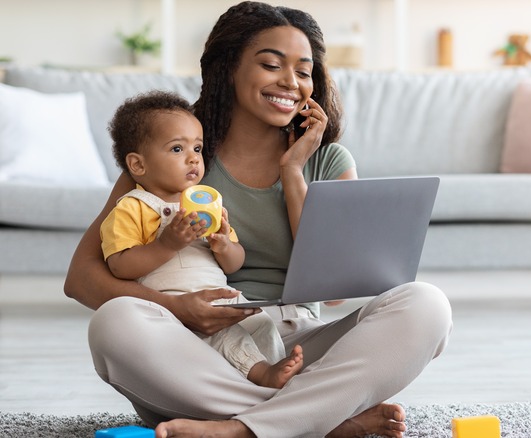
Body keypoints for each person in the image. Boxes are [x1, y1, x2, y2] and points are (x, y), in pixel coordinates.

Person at [64, 2, 453, 437]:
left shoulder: (327, 161)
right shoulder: (171, 158)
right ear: (227, 68)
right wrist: (176, 309)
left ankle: (242, 430)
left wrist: (293, 172)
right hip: (196, 355)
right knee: (114, 324)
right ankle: (318, 421)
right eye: (272, 65)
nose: (291, 82)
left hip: (295, 350)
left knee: (426, 305)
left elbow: (339, 292)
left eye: (304, 72)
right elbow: (81, 279)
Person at [101, 90, 303, 390]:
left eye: (197, 147)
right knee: (223, 336)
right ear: (138, 165)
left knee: (261, 325)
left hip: (221, 294)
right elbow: (120, 265)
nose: (193, 158)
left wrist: (224, 246)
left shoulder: (207, 203)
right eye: (177, 149)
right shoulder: (132, 207)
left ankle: (274, 380)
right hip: (176, 305)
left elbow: (235, 263)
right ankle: (261, 375)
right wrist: (166, 245)